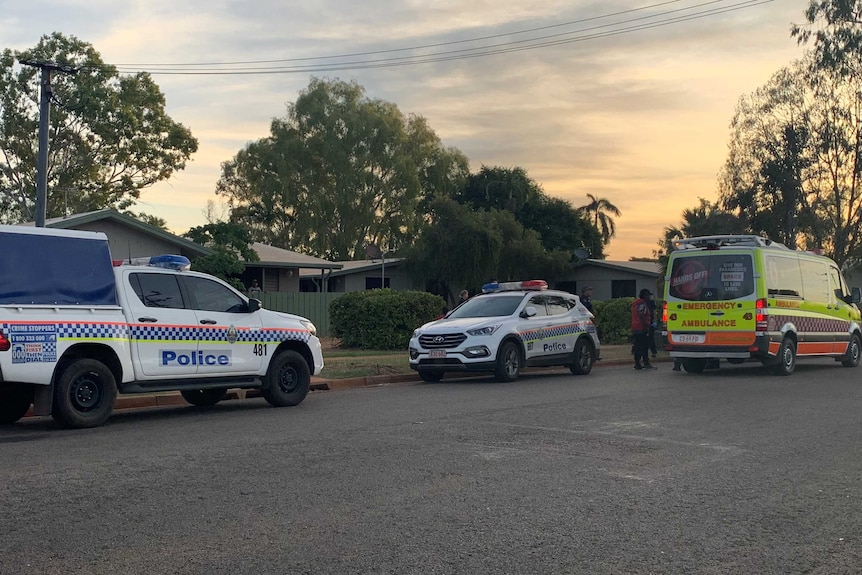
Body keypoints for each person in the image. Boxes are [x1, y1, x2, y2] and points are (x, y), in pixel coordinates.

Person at [631, 288, 656, 370]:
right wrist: (646, 326)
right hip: (641, 328)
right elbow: (641, 315)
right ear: (645, 295)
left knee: (637, 346)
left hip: (635, 327)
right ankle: (646, 363)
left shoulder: (635, 303)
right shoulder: (642, 304)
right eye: (648, 295)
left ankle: (637, 363)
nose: (649, 297)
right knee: (644, 346)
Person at [646, 292, 658, 358]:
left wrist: (655, 321)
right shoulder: (643, 302)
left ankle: (653, 352)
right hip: (645, 322)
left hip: (650, 322)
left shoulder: (651, 302)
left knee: (650, 338)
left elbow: (654, 312)